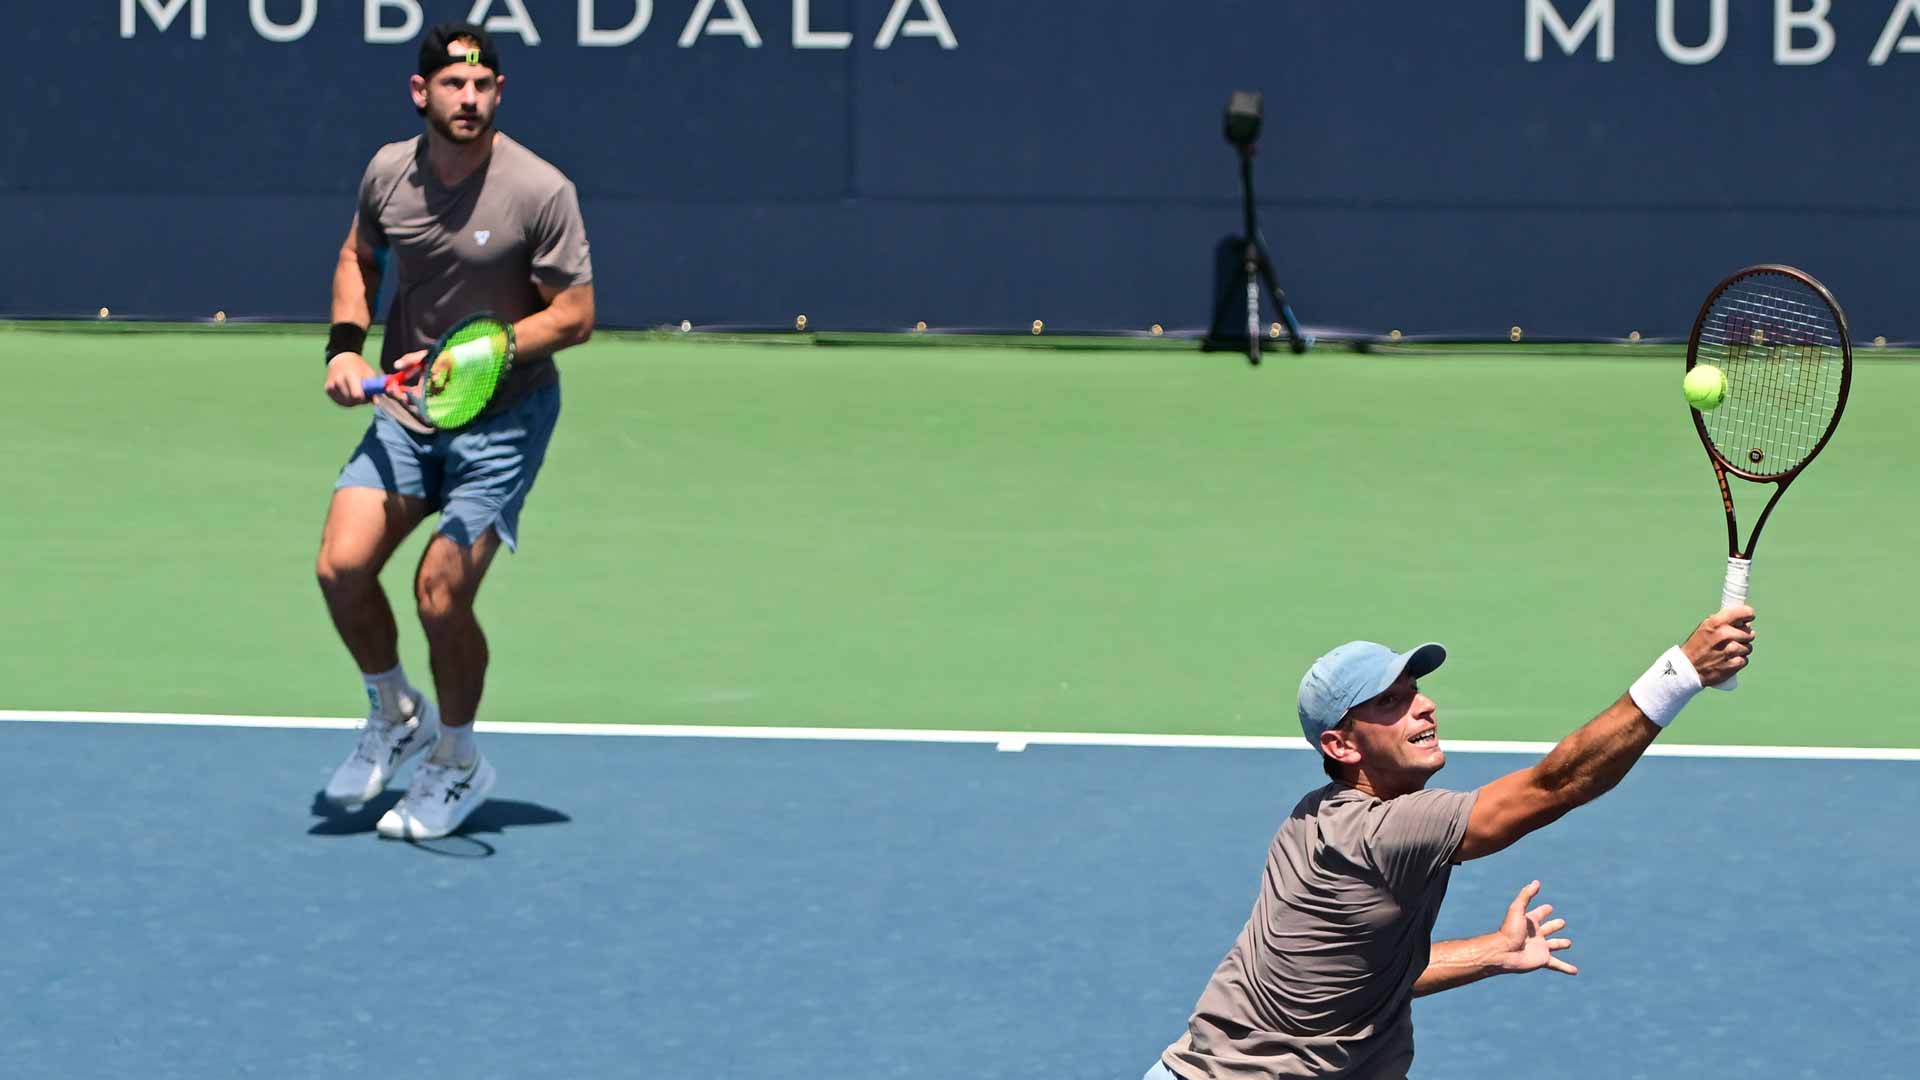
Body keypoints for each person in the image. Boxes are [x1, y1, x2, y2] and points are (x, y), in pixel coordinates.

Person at [1147, 605, 1756, 1079]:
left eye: (1416, 691)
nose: (1424, 706)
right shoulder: (1381, 833)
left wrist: (1491, 952)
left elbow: (1361, 979)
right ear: (1342, 746)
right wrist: (1681, 671)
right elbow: (1558, 784)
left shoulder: (1316, 821)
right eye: (1392, 702)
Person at [315, 21, 595, 840]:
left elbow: (575, 316)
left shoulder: (540, 190)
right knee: (340, 568)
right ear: (421, 92)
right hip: (406, 409)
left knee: (440, 594)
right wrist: (344, 345)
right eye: (451, 85)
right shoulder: (387, 174)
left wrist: (486, 353)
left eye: (482, 87)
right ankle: (397, 711)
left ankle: (459, 760)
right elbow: (358, 257)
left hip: (501, 419)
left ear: (497, 94)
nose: (467, 98)